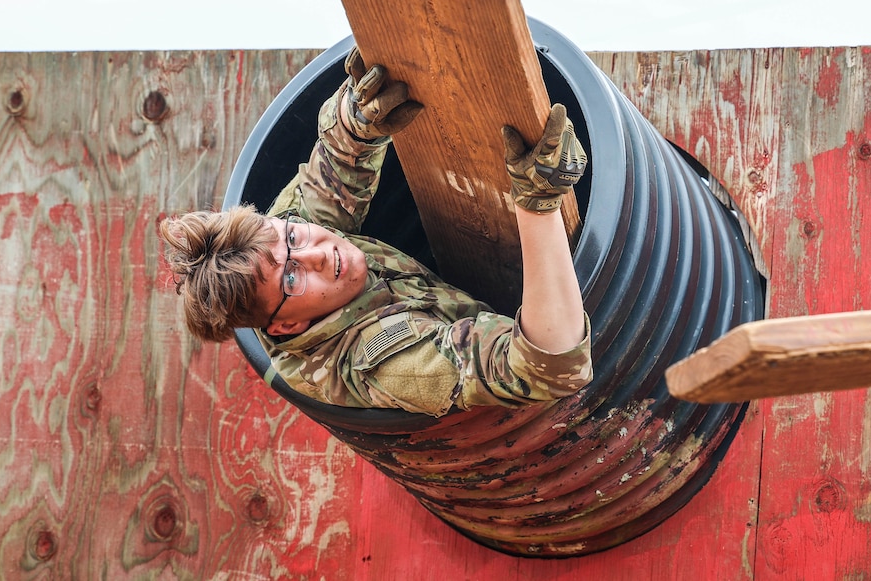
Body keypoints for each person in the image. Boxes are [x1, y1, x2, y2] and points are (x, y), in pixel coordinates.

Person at [161, 49, 592, 416]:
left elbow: (337, 159)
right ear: (287, 327)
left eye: (293, 236)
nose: (315, 254)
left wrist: (357, 115)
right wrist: (537, 205)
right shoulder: (376, 361)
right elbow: (549, 367)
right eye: (291, 279)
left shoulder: (281, 237)